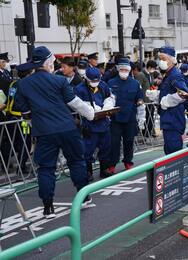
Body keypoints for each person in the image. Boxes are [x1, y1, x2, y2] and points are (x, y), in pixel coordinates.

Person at [14, 46, 95, 218]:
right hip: (66, 128)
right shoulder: (59, 81)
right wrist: (90, 113)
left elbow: (22, 110)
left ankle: (48, 207)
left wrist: (34, 116)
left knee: (45, 168)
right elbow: (74, 102)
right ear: (48, 62)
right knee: (76, 162)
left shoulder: (23, 84)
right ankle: (85, 197)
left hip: (43, 131)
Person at [75, 67, 115, 180]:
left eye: (96, 80)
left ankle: (104, 170)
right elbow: (78, 104)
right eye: (92, 81)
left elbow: (109, 97)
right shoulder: (79, 89)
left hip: (104, 123)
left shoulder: (103, 85)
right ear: (86, 79)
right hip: (89, 124)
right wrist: (91, 108)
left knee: (106, 147)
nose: (95, 83)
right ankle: (88, 172)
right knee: (87, 150)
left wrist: (108, 106)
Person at [107, 57, 144, 174]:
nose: (124, 72)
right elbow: (107, 99)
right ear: (118, 69)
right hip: (115, 119)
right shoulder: (111, 83)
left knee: (129, 141)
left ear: (129, 70)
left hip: (130, 117)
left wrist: (140, 103)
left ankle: (128, 162)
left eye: (126, 70)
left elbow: (140, 98)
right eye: (121, 69)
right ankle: (112, 164)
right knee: (114, 142)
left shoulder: (135, 83)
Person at [151, 46, 188, 154]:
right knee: (169, 151)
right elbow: (169, 91)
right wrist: (157, 95)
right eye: (160, 59)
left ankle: (176, 171)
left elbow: (184, 94)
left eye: (163, 59)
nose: (160, 61)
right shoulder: (168, 74)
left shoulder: (174, 75)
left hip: (173, 119)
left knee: (173, 152)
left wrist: (167, 101)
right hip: (169, 119)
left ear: (171, 60)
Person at [4, 63, 34, 175]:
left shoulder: (13, 83)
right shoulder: (27, 85)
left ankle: (12, 164)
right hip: (23, 119)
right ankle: (21, 167)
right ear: (28, 74)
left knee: (16, 141)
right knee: (25, 142)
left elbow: (9, 99)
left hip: (12, 117)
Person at [134, 60, 158, 137]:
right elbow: (138, 87)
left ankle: (150, 131)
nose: (154, 70)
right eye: (153, 68)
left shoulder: (150, 74)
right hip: (144, 100)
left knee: (150, 116)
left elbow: (150, 84)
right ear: (149, 67)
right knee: (145, 117)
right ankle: (145, 133)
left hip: (150, 99)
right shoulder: (141, 75)